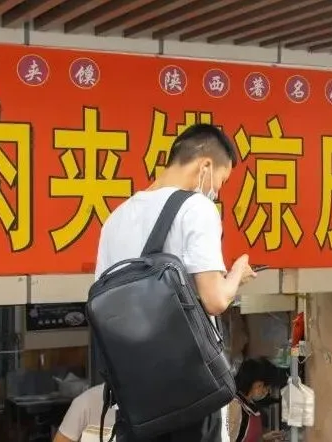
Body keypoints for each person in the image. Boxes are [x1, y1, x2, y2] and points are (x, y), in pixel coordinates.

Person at [95, 123, 257, 442]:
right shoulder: (196, 207)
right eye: (221, 181)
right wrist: (237, 274)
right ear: (205, 165)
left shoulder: (115, 219)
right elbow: (214, 299)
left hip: (136, 399)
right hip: (189, 393)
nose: (217, 191)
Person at [226, 359, 283, 442]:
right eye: (266, 387)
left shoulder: (250, 405)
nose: (266, 392)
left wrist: (263, 438)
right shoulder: (234, 405)